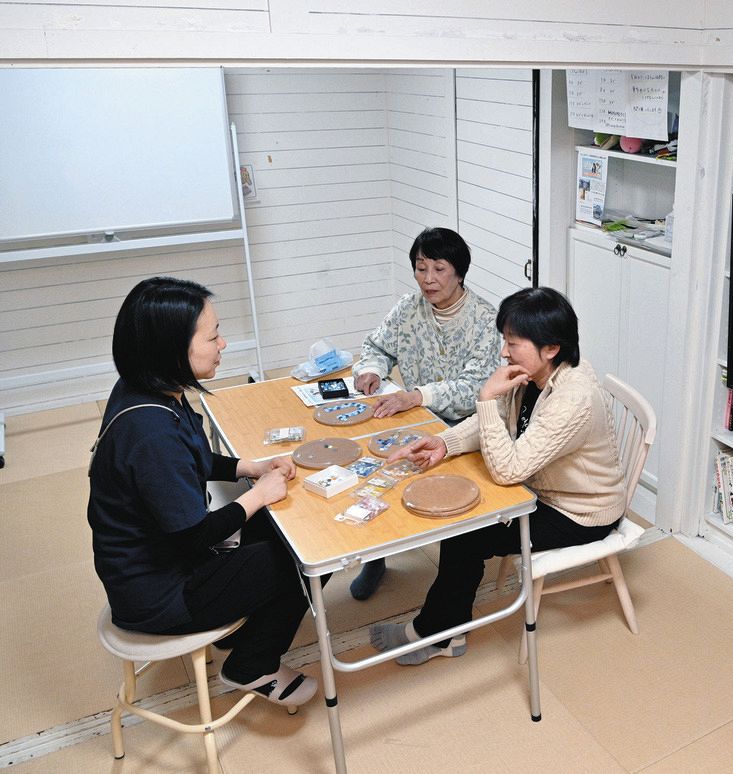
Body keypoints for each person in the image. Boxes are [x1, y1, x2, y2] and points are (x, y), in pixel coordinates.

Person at [88, 277, 318, 708]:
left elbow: (191, 457)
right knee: (306, 556)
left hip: (159, 564)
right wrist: (258, 494)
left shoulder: (151, 390)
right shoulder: (150, 432)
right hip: (159, 594)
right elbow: (195, 535)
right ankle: (252, 664)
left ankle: (238, 634)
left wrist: (250, 467)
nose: (222, 344)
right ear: (172, 348)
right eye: (212, 337)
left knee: (289, 524)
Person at [369, 287, 625, 665]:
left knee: (467, 533)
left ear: (551, 348)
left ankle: (437, 634)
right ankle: (448, 629)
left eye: (513, 343)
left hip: (580, 511)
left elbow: (508, 471)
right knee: (463, 523)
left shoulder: (574, 399)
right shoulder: (535, 373)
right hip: (541, 488)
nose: (504, 352)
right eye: (504, 340)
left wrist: (486, 398)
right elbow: (497, 421)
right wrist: (444, 443)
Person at [349, 227, 502, 600]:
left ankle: (453, 577)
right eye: (421, 268)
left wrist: (417, 395)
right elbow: (376, 346)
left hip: (464, 428)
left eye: (439, 269)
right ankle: (376, 555)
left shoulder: (485, 318)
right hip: (416, 417)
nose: (428, 279)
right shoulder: (408, 308)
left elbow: (475, 390)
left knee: (448, 494)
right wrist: (371, 369)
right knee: (378, 469)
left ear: (459, 273)